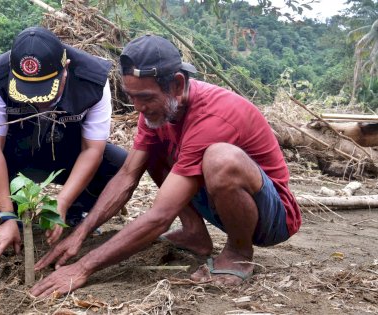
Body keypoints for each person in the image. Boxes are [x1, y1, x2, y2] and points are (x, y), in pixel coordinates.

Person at [30, 34, 302, 297]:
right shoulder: (160, 111)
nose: (138, 107)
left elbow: (160, 216)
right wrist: (81, 233)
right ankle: (195, 233)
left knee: (221, 159)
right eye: (131, 96)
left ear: (178, 85)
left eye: (146, 97)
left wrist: (83, 267)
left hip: (271, 217)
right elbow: (127, 176)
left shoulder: (213, 115)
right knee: (152, 152)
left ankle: (239, 253)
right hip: (222, 206)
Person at [0, 27, 128, 263]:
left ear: (66, 69)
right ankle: (15, 213)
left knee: (118, 164)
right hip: (19, 152)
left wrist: (61, 202)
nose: (37, 101)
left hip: (68, 154)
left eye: (45, 91)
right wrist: (6, 215)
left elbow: (92, 149)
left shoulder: (93, 80)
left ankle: (76, 212)